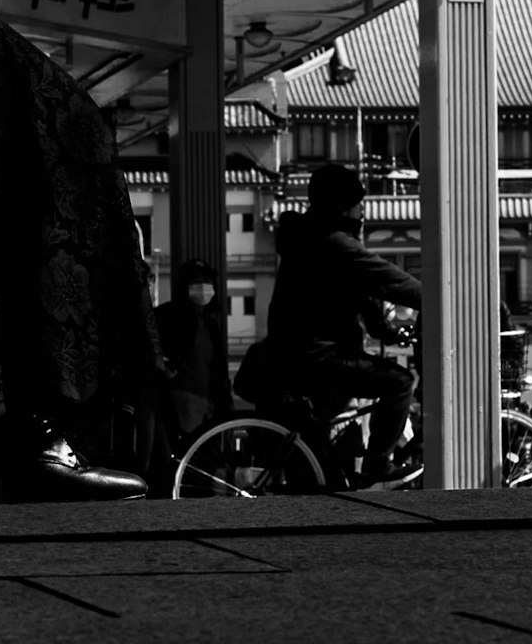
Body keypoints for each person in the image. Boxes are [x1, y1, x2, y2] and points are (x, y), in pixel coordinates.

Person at [245, 162, 418, 482]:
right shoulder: (334, 243)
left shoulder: (309, 238)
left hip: (297, 353)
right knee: (399, 382)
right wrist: (441, 301)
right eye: (358, 205)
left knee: (325, 468)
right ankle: (378, 462)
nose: (362, 212)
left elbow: (362, 297)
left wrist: (389, 331)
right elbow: (389, 281)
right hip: (317, 355)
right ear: (343, 206)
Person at [153, 259, 230, 447]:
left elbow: (218, 370)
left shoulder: (211, 325)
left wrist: (223, 403)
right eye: (196, 281)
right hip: (176, 403)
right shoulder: (166, 316)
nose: (203, 287)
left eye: (207, 281)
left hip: (206, 409)